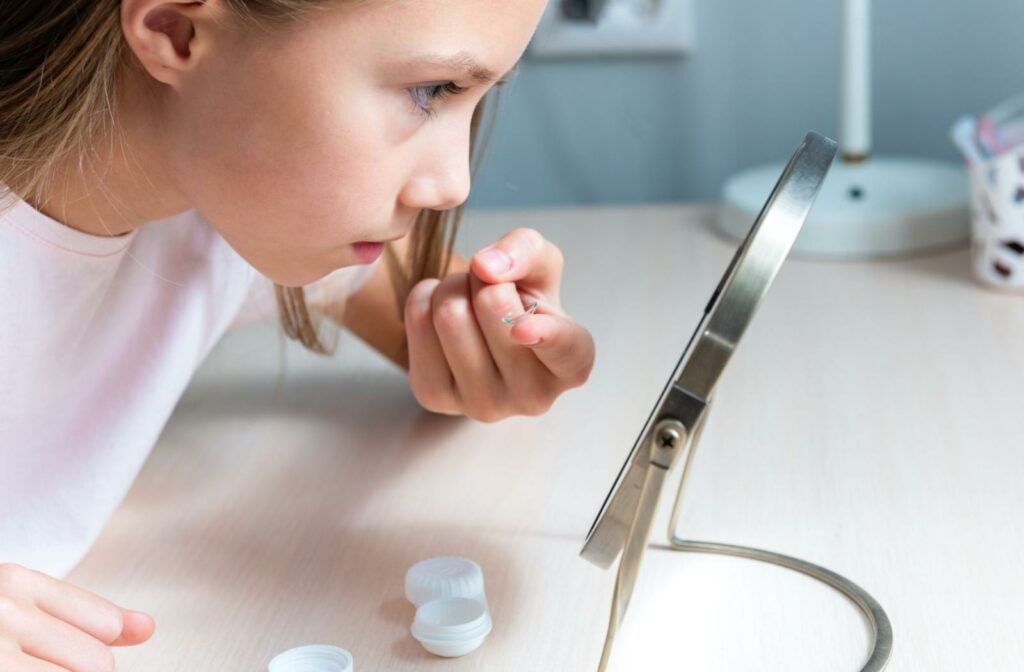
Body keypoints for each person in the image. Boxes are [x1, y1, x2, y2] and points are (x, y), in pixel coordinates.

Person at [0, 0, 596, 668]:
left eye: (479, 96)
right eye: (431, 91)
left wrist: (496, 334)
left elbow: (428, 313)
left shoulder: (223, 201)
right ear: (175, 29)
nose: (453, 185)